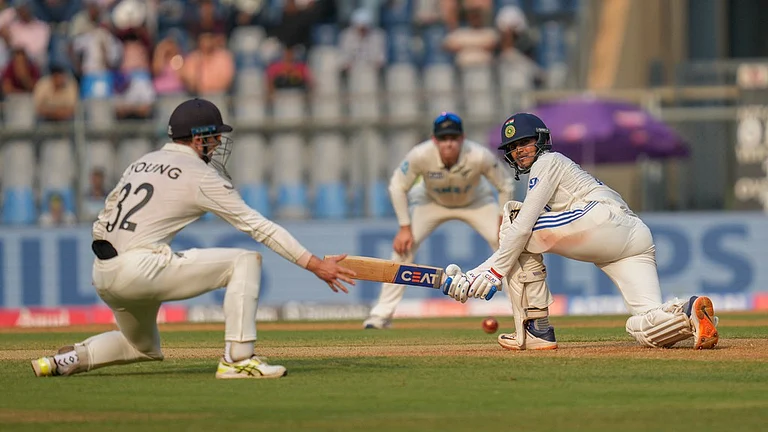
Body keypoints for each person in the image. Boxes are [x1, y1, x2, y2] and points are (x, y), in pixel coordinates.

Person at [31, 98, 356, 379]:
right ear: (199, 138)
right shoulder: (199, 174)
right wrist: (314, 264)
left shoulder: (142, 161)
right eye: (213, 137)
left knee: (140, 347)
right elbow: (259, 227)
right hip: (141, 268)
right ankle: (239, 360)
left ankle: (64, 360)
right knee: (244, 260)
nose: (216, 145)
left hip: (103, 271)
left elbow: (106, 214)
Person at [440, 112, 719, 351]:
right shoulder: (548, 169)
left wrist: (488, 273)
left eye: (524, 142)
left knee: (515, 217)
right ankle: (686, 312)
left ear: (540, 140)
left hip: (601, 219)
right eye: (513, 147)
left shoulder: (548, 162)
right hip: (634, 236)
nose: (519, 151)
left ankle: (537, 329)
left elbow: (524, 225)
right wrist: (481, 273)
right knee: (642, 325)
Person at [362, 112, 516, 329]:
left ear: (462, 139)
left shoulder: (479, 155)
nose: (449, 144)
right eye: (443, 139)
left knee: (508, 245)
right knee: (403, 249)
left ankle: (523, 309)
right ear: (435, 140)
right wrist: (405, 227)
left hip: (476, 202)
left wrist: (502, 220)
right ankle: (381, 314)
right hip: (431, 203)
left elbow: (505, 185)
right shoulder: (420, 155)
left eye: (453, 138)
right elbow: (397, 186)